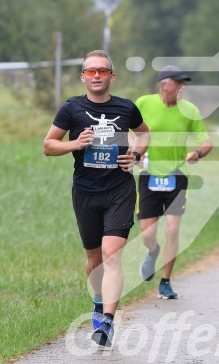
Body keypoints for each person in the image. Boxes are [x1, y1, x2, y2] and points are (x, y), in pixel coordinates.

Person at [43, 50, 151, 347]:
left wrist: (136, 155)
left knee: (111, 254)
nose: (96, 76)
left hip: (120, 189)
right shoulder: (72, 109)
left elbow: (144, 134)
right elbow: (48, 145)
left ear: (111, 76)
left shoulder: (126, 108)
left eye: (102, 71)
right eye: (90, 71)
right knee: (94, 260)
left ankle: (107, 320)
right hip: (85, 191)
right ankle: (99, 299)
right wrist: (74, 144)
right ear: (83, 77)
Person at [136, 65, 213, 300]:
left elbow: (206, 142)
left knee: (172, 229)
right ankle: (153, 251)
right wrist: (137, 152)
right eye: (178, 82)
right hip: (149, 175)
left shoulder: (189, 110)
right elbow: (128, 130)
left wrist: (198, 154)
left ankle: (166, 281)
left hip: (176, 176)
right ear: (164, 84)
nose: (182, 87)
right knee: (148, 234)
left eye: (183, 83)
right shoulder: (144, 103)